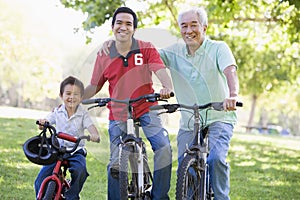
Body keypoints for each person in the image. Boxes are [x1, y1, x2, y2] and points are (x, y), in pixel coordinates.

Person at [100, 7, 239, 200]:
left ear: (204, 28)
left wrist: (232, 95)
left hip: (219, 115)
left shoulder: (219, 48)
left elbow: (230, 71)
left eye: (194, 25)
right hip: (190, 118)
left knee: (215, 159)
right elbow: (144, 53)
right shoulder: (174, 52)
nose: (188, 30)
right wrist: (116, 43)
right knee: (184, 163)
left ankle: (222, 197)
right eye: (184, 26)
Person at [83, 7, 173, 200]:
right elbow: (94, 85)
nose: (123, 27)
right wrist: (77, 97)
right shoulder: (104, 54)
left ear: (134, 29)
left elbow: (160, 69)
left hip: (146, 107)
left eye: (128, 24)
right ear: (113, 26)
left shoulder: (146, 47)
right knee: (115, 162)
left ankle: (158, 196)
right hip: (118, 112)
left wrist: (167, 86)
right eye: (119, 23)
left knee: (164, 148)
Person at [34, 76, 100, 199]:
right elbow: (47, 120)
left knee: (80, 170)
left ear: (81, 97)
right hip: (57, 150)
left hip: (75, 151)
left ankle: (72, 195)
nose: (72, 97)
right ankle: (41, 196)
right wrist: (43, 123)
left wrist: (94, 135)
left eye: (76, 94)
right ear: (61, 95)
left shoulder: (83, 114)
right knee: (40, 179)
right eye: (68, 93)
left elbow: (91, 127)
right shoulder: (57, 111)